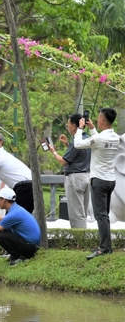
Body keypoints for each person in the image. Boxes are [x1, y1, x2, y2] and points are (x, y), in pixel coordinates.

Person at [74, 108, 120, 259]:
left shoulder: (99, 139)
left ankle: (104, 248)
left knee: (100, 216)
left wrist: (80, 128)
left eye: (98, 118)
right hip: (110, 181)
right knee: (104, 215)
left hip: (99, 181)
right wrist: (92, 128)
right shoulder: (115, 137)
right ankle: (106, 245)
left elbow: (78, 144)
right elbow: (100, 141)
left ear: (102, 120)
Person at [0, 186, 41, 266]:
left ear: (4, 200)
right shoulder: (16, 209)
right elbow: (3, 221)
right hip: (31, 245)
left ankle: (19, 257)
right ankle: (17, 255)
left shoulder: (14, 214)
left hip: (30, 248)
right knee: (2, 231)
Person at [48, 114, 91, 229]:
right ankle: (83, 238)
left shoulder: (76, 142)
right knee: (82, 212)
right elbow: (78, 155)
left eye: (68, 124)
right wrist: (67, 144)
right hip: (86, 176)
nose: (67, 126)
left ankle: (80, 241)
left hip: (75, 179)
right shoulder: (87, 139)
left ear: (74, 126)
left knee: (76, 213)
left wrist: (53, 152)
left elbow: (64, 161)